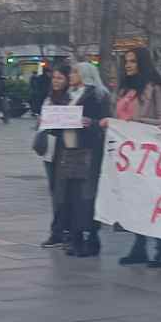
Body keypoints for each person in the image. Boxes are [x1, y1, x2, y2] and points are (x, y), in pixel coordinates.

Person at [112, 48, 161, 267]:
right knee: (135, 202)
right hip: (128, 155)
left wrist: (140, 124)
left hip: (150, 154)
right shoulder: (124, 89)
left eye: (133, 61)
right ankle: (139, 246)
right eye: (126, 61)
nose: (128, 65)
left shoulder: (154, 88)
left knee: (153, 201)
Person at [57, 62, 111, 258]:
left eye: (75, 72)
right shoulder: (69, 95)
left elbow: (105, 121)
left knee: (86, 196)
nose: (71, 75)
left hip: (88, 149)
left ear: (85, 75)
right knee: (71, 196)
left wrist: (91, 123)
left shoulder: (97, 95)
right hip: (69, 149)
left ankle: (91, 237)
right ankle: (75, 236)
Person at [38, 68, 73, 248]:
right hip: (50, 149)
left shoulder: (71, 98)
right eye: (54, 78)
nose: (56, 81)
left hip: (65, 148)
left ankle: (62, 230)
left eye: (60, 78)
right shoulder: (49, 98)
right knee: (54, 191)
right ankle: (58, 230)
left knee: (63, 192)